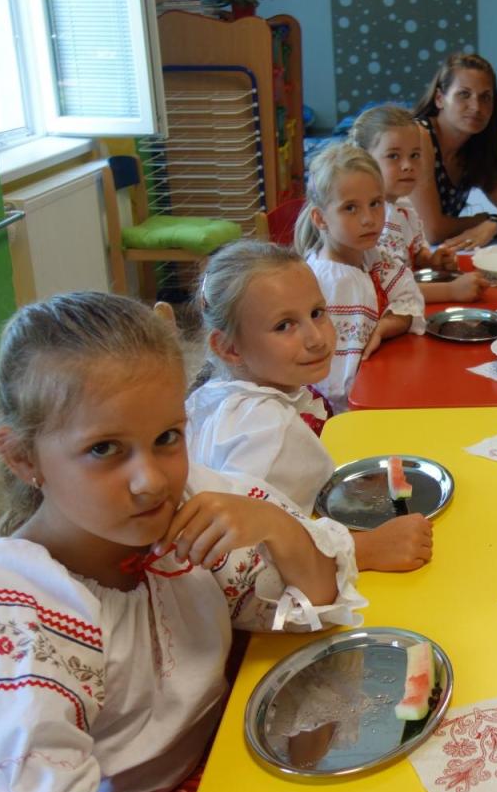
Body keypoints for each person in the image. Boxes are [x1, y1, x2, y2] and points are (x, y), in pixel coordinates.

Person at [0, 291, 364, 792]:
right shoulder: (9, 602)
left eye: (168, 437)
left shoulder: (189, 505)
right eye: (103, 449)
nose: (150, 481)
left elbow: (315, 602)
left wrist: (277, 528)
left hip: (223, 769)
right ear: (23, 459)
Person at [185, 239, 434, 571]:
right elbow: (240, 558)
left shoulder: (231, 393)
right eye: (284, 325)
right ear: (230, 348)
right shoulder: (265, 428)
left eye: (317, 313)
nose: (317, 338)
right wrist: (363, 550)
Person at [296, 141, 425, 411]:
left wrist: (384, 327)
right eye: (351, 208)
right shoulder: (325, 282)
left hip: (378, 388)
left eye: (375, 203)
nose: (369, 219)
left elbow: (410, 301)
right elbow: (336, 387)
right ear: (320, 219)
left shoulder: (374, 257)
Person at [349, 104, 490, 303]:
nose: (408, 165)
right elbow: (387, 291)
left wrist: (429, 260)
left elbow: (408, 256)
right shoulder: (375, 222)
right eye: (393, 156)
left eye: (414, 155)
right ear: (364, 159)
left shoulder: (403, 206)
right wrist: (451, 291)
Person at [410, 53, 497, 250]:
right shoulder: (417, 137)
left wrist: (493, 225)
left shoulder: (475, 149)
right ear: (439, 99)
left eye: (485, 97)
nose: (476, 107)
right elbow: (432, 231)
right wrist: (480, 221)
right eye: (464, 94)